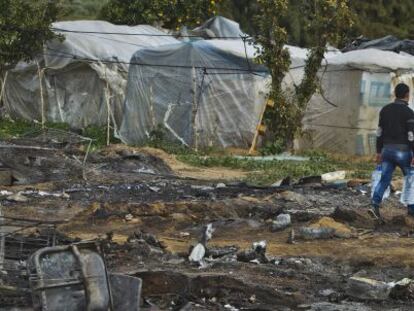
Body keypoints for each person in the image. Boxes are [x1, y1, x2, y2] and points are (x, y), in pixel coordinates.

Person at [372, 83, 414, 220]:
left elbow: (379, 132)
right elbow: (411, 135)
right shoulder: (409, 112)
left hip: (386, 151)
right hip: (403, 152)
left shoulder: (385, 110)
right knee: (410, 179)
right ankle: (412, 209)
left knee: (384, 178)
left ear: (395, 94)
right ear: (407, 95)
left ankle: (374, 204)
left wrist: (378, 151)